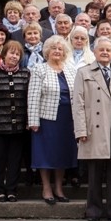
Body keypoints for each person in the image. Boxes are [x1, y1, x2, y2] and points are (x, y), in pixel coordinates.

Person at [74, 36, 111, 221]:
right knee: (94, 174)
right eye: (101, 50)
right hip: (94, 130)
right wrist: (80, 130)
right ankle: (94, 210)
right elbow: (78, 103)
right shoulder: (83, 72)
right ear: (95, 52)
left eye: (108, 50)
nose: (105, 52)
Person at [27, 35, 79, 205]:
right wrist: (33, 120)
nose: (57, 51)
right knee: (45, 154)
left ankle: (58, 187)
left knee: (62, 153)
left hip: (68, 119)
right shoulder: (39, 69)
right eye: (54, 48)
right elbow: (33, 96)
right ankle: (46, 188)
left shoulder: (71, 69)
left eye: (60, 49)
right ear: (47, 51)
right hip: (47, 119)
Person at [0, 41, 30, 203]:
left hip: (18, 126)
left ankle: (11, 190)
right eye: (11, 53)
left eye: (17, 54)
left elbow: (29, 100)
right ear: (4, 54)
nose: (14, 57)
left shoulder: (25, 74)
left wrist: (29, 121)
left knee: (15, 160)